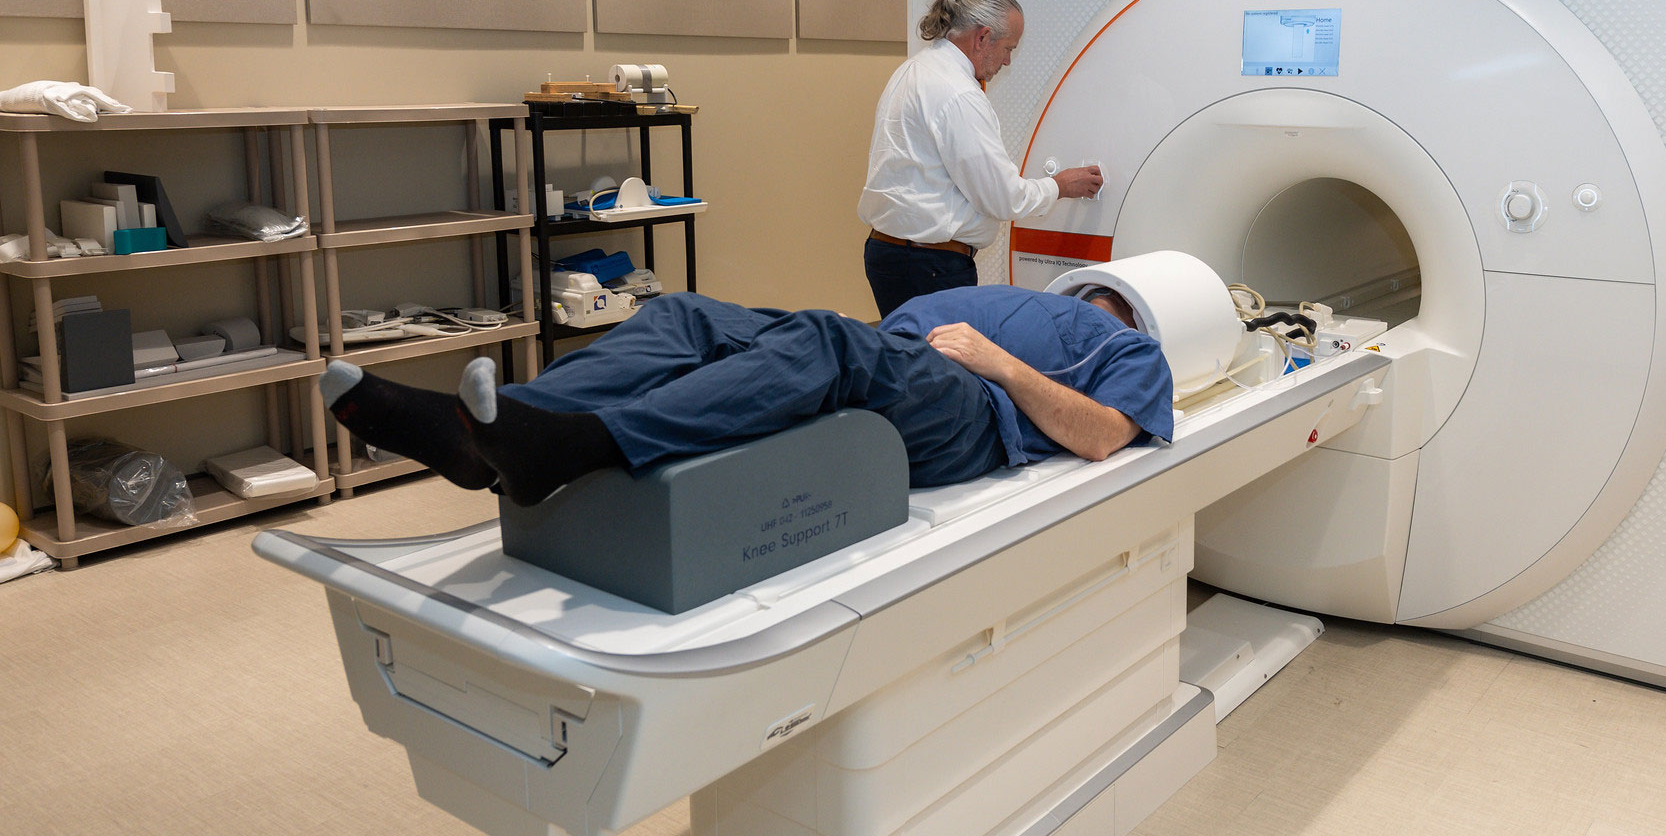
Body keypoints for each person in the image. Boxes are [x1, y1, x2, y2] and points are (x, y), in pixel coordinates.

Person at [317, 283, 1174, 509]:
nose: (1096, 296)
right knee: (687, 314)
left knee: (829, 341)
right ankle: (489, 435)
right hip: (899, 359)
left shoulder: (1134, 349)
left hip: (975, 409)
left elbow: (1102, 435)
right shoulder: (1038, 296)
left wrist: (1002, 364)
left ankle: (585, 441)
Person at [860, 0, 1104, 317]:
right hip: (929, 266)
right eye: (1008, 48)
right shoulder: (958, 94)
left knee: (908, 349)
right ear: (982, 37)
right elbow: (1002, 198)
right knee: (945, 353)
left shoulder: (913, 70)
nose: (1007, 61)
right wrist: (1060, 186)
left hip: (889, 254)